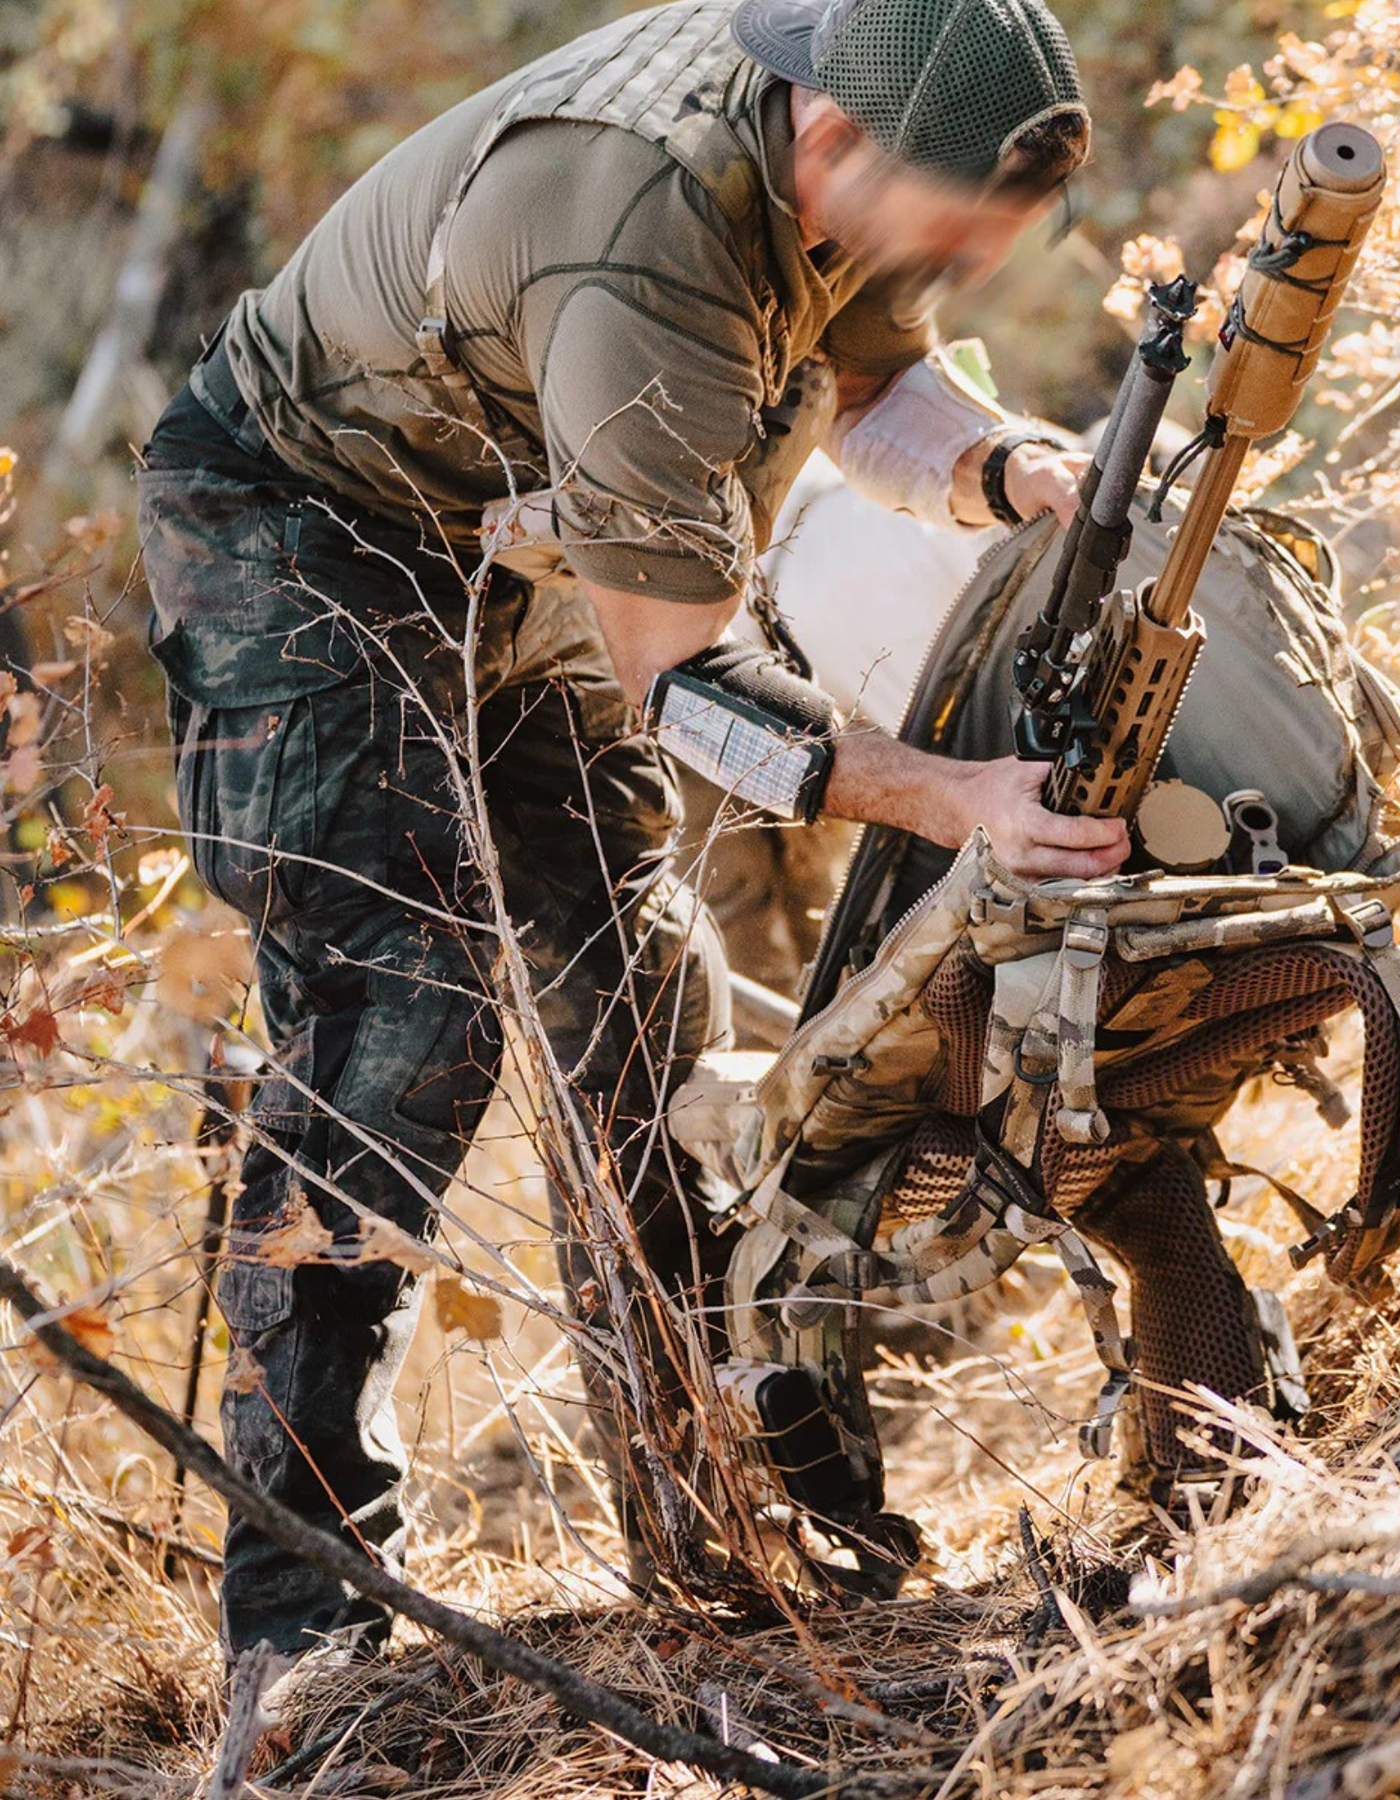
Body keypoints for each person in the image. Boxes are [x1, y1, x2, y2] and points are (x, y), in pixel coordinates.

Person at [136, 0, 1130, 1674]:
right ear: (828, 142)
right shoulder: (643, 238)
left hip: (526, 552)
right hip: (297, 530)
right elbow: (688, 688)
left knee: (636, 1013)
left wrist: (1012, 466)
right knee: (401, 1026)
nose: (954, 259)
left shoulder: (877, 104)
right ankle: (301, 1629)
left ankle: (710, 1519)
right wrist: (960, 800)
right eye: (948, 230)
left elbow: (872, 370)